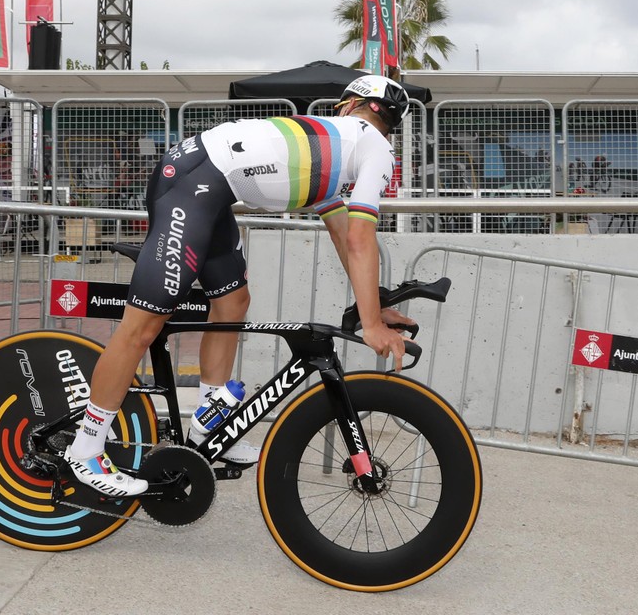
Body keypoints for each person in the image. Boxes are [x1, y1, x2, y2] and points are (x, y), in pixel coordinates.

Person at [63, 74, 417, 497]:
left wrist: (372, 308)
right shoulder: (367, 145)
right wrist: (373, 324)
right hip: (192, 184)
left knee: (233, 301)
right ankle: (84, 450)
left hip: (205, 186)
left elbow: (345, 235)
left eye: (344, 103)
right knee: (143, 326)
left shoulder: (345, 148)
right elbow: (358, 239)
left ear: (357, 104)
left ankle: (207, 425)